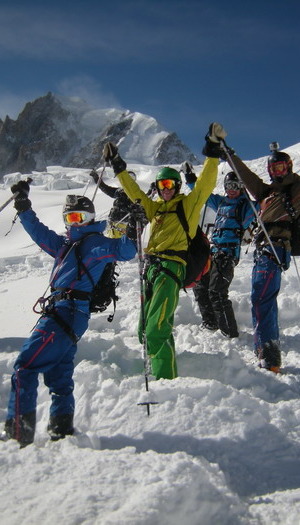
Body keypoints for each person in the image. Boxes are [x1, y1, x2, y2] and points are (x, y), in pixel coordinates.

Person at [0, 182, 137, 447]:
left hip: (67, 312)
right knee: (59, 375)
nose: (73, 223)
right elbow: (39, 233)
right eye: (69, 217)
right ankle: (61, 430)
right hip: (65, 314)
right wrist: (24, 207)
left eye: (79, 217)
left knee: (25, 367)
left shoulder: (94, 243)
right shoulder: (65, 246)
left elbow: (124, 251)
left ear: (90, 219)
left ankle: (17, 434)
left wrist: (131, 229)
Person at [102, 122, 226, 380]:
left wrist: (212, 151)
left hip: (171, 268)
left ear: (178, 186)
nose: (166, 189)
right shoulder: (155, 208)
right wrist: (118, 166)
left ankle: (165, 380)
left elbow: (204, 185)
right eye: (161, 185)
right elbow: (134, 192)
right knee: (144, 331)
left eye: (170, 184)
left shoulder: (187, 206)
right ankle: (154, 363)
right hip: (151, 269)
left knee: (157, 327)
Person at [226, 123, 300, 371]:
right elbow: (245, 175)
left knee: (262, 297)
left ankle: (269, 355)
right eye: (273, 168)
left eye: (281, 167)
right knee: (261, 298)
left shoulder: (295, 191)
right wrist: (228, 153)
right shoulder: (264, 191)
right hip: (263, 249)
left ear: (289, 167)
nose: (277, 172)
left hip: (276, 248)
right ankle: (265, 350)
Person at [184, 164, 257, 338]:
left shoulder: (246, 207)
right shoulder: (222, 202)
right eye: (229, 186)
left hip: (228, 253)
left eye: (236, 186)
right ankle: (210, 323)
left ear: (241, 187)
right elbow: (203, 195)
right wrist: (191, 180)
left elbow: (261, 205)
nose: (232, 190)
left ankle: (229, 332)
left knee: (217, 291)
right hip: (213, 252)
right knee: (200, 285)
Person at [89, 169, 138, 238]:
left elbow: (144, 202)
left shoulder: (136, 194)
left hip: (123, 224)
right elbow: (105, 188)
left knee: (119, 245)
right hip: (112, 223)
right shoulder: (119, 192)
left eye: (131, 179)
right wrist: (96, 178)